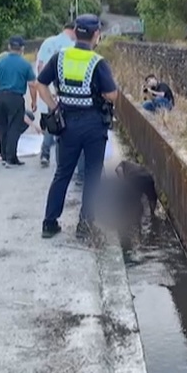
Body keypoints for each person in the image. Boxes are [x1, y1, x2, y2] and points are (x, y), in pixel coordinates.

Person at [35, 14, 118, 239]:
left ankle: (49, 223)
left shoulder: (59, 57)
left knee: (62, 172)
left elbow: (40, 83)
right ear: (96, 34)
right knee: (92, 174)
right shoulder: (97, 62)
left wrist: (54, 106)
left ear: (76, 32)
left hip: (66, 124)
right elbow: (112, 94)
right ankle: (85, 225)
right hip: (93, 125)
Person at [36, 23, 85, 182]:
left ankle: (45, 153)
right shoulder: (72, 47)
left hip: (48, 89)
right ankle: (76, 170)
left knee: (54, 122)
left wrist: (46, 89)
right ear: (74, 30)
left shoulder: (48, 43)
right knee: (69, 129)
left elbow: (40, 67)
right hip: (66, 92)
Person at [0, 36, 37, 167]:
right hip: (15, 98)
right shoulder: (25, 64)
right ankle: (11, 157)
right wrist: (34, 101)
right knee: (14, 126)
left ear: (9, 47)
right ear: (22, 48)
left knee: (2, 126)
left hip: (0, 96)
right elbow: (32, 84)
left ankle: (3, 154)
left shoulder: (0, 63)